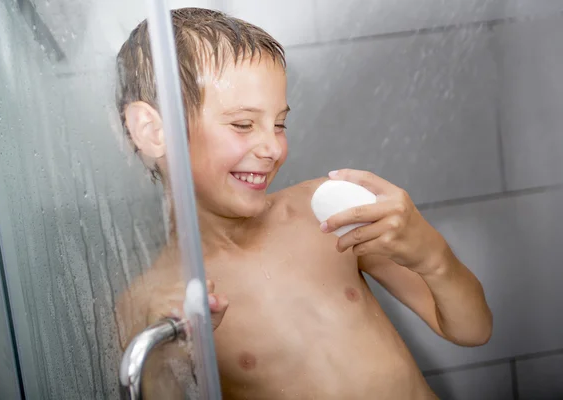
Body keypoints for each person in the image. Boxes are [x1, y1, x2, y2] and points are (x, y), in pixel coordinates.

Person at [115, 8, 492, 399]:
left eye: (279, 124)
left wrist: (430, 252)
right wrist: (172, 351)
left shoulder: (327, 212)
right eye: (243, 124)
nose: (272, 148)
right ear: (153, 131)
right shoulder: (153, 301)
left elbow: (473, 329)